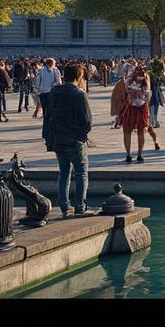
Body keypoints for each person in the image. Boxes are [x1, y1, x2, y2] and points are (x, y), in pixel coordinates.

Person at [44, 63, 93, 217]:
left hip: (58, 138)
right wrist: (82, 135)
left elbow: (47, 116)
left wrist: (48, 137)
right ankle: (80, 207)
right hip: (75, 139)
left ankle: (65, 208)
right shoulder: (79, 94)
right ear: (79, 77)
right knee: (81, 173)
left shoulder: (54, 92)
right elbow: (87, 121)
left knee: (64, 174)